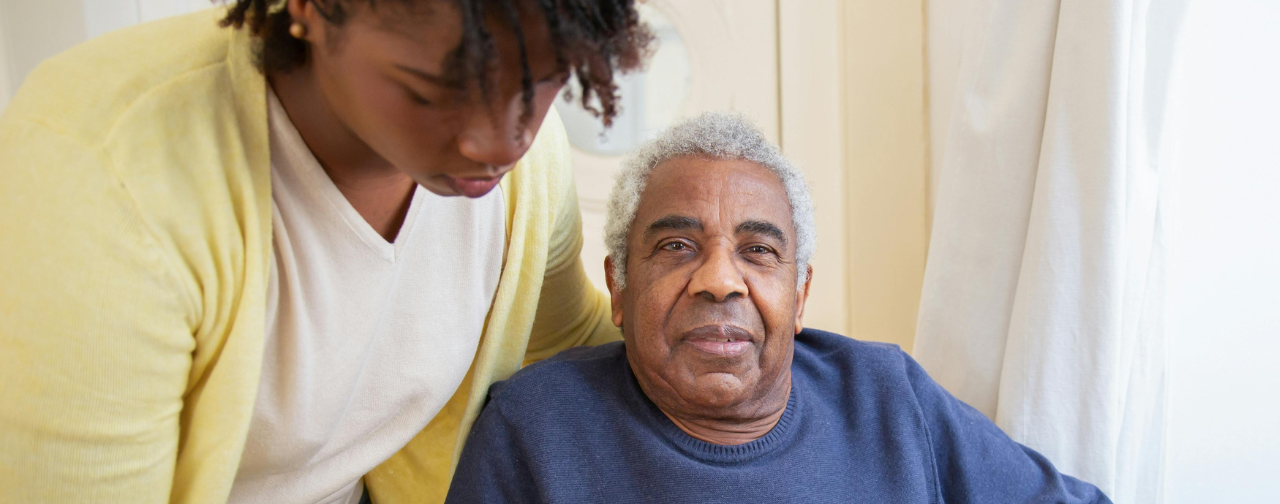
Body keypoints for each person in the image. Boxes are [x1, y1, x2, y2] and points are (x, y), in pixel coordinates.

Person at [0, 1, 652, 503]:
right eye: (429, 91)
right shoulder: (106, 173)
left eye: (539, 83)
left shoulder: (531, 174)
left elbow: (571, 344)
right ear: (309, 8)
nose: (500, 142)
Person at [444, 112, 1113, 503]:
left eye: (758, 251)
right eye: (677, 246)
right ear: (618, 287)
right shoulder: (534, 429)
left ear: (799, 296)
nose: (719, 282)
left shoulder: (888, 398)